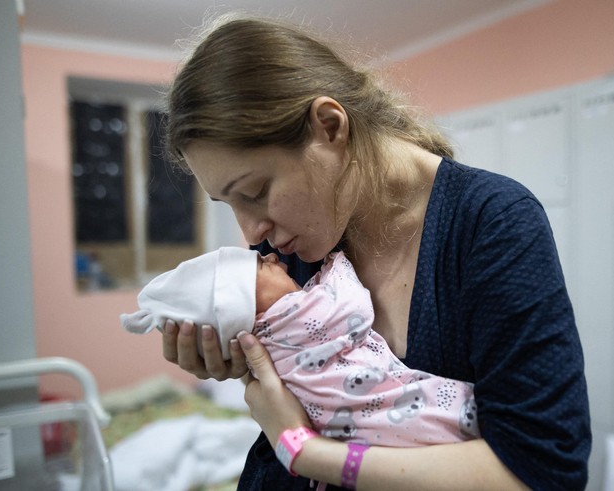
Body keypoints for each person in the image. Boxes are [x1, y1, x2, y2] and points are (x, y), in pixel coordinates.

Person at [159, 14, 590, 491]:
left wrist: (303, 451)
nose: (252, 233)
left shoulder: (492, 222)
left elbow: (543, 474)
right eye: (230, 203)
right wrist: (249, 358)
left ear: (329, 126)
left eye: (257, 191)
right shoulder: (298, 238)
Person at [121, 247, 480, 447]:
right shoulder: (290, 319)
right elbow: (352, 310)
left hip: (347, 432)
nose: (273, 256)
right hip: (379, 414)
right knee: (445, 412)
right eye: (261, 265)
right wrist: (337, 264)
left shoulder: (272, 332)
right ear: (248, 305)